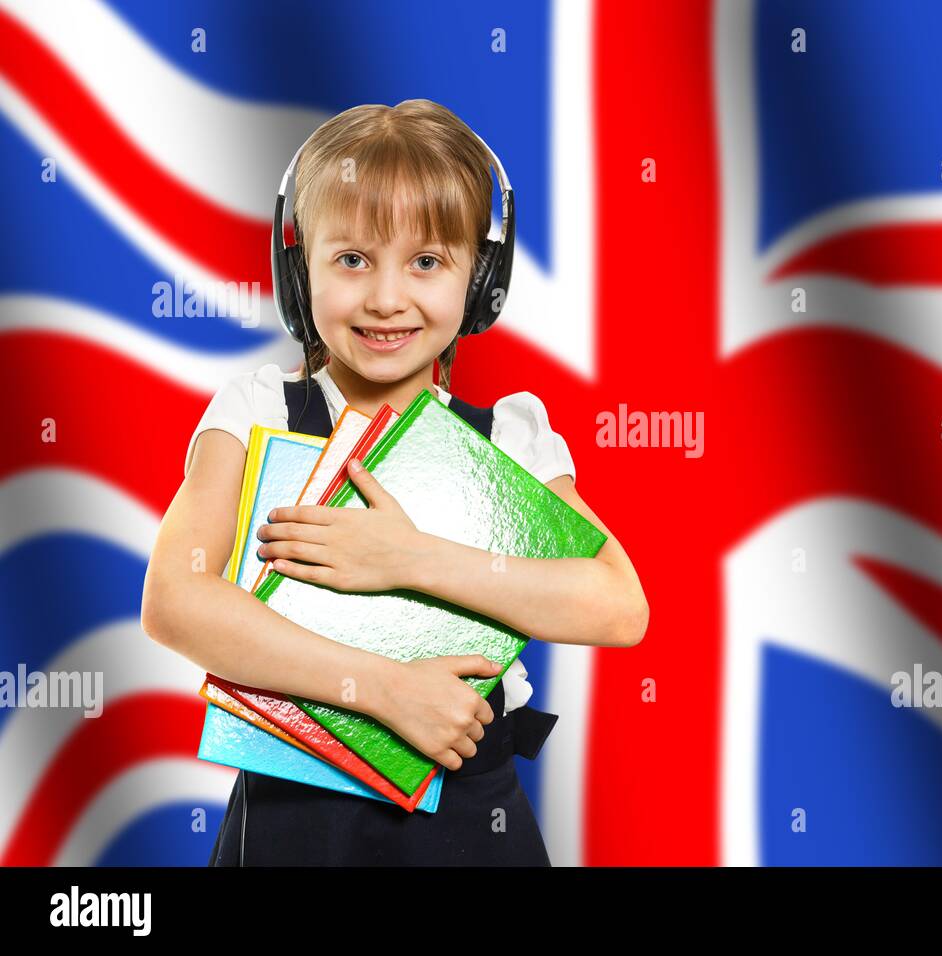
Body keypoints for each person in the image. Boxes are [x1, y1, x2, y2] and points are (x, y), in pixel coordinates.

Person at [139, 99, 649, 865]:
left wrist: (407, 557)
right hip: (293, 812)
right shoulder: (258, 411)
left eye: (426, 262)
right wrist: (378, 688)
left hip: (468, 811)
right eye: (351, 260)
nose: (385, 298)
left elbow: (617, 606)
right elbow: (175, 599)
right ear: (296, 268)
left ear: (482, 280)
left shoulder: (507, 437)